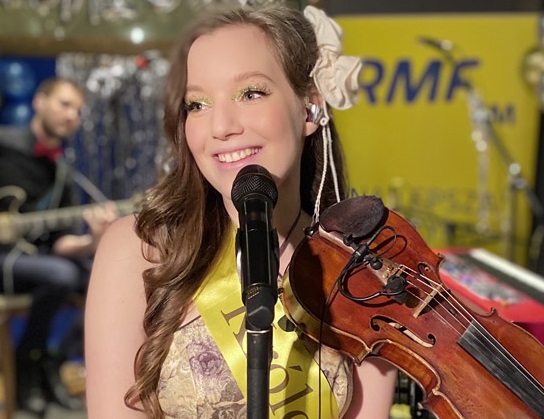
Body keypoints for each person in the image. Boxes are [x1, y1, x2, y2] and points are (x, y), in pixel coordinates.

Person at [85, 3, 398, 418]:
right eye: (197, 104)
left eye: (251, 93)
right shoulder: (138, 251)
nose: (220, 127)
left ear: (310, 107)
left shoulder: (359, 272)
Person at [0, 77, 118, 415]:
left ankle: (54, 362)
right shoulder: (4, 146)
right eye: (65, 104)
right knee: (61, 275)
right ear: (39, 101)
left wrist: (92, 240)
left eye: (78, 111)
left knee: (100, 277)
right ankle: (27, 365)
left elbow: (60, 241)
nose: (71, 115)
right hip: (5, 259)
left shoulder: (63, 173)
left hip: (37, 260)